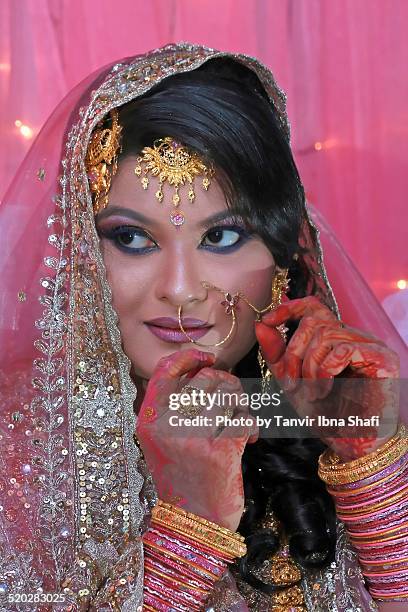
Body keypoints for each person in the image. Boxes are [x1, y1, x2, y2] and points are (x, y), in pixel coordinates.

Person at [0, 42, 406, 612]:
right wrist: (188, 526)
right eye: (131, 237)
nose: (182, 287)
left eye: (221, 237)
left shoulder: (343, 415)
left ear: (283, 253)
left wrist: (374, 482)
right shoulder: (16, 452)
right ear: (78, 249)